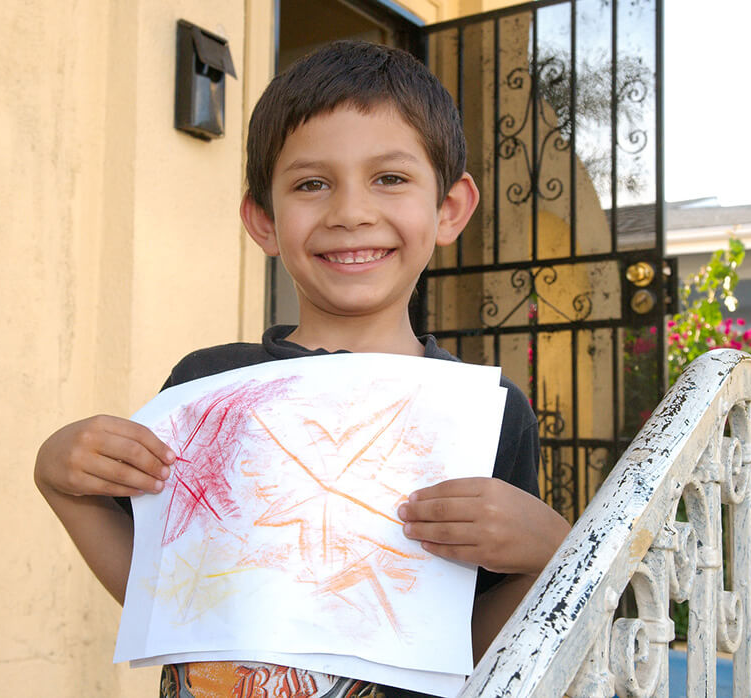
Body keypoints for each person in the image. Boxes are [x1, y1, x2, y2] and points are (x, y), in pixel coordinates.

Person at [35, 40, 570, 698]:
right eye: (312, 184)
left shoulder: (486, 412)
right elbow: (166, 597)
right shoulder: (209, 388)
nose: (350, 212)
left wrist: (555, 553)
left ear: (450, 208)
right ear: (263, 220)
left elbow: (474, 654)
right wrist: (62, 482)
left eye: (391, 178)